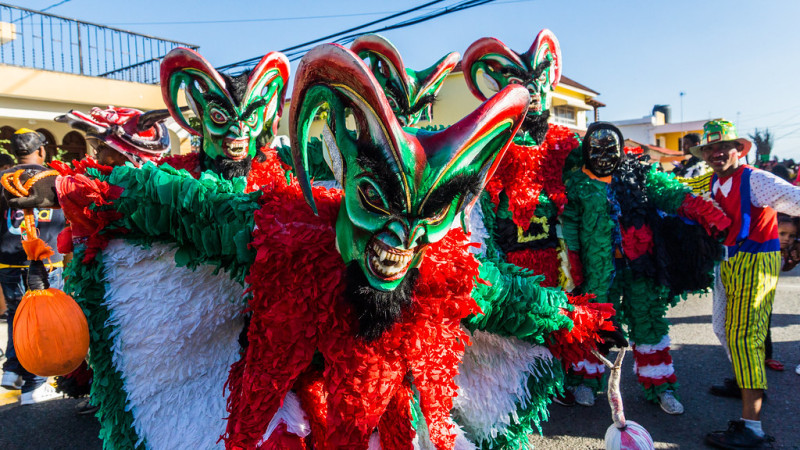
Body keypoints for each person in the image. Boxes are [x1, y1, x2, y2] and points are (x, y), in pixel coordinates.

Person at [561, 122, 729, 416]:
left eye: (610, 149)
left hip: (642, 266)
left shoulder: (638, 174)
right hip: (598, 271)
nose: (603, 156)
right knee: (594, 326)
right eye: (596, 150)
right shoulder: (577, 183)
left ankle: (661, 386)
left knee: (648, 324)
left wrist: (711, 215)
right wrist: (575, 271)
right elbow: (572, 228)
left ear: (621, 150)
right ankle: (585, 382)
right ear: (586, 151)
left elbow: (673, 195)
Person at [688, 120, 800, 448]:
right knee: (722, 328)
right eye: (710, 148)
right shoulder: (710, 181)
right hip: (726, 262)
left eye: (724, 146)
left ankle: (752, 428)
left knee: (745, 338)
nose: (716, 152)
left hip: (755, 262)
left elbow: (795, 200)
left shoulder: (756, 179)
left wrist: (794, 240)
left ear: (739, 149)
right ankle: (745, 381)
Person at [0, 128, 66, 405]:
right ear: (41, 151)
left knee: (19, 317)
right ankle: (35, 385)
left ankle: (12, 371)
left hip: (8, 261)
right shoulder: (54, 178)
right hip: (46, 261)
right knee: (42, 324)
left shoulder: (3, 178)